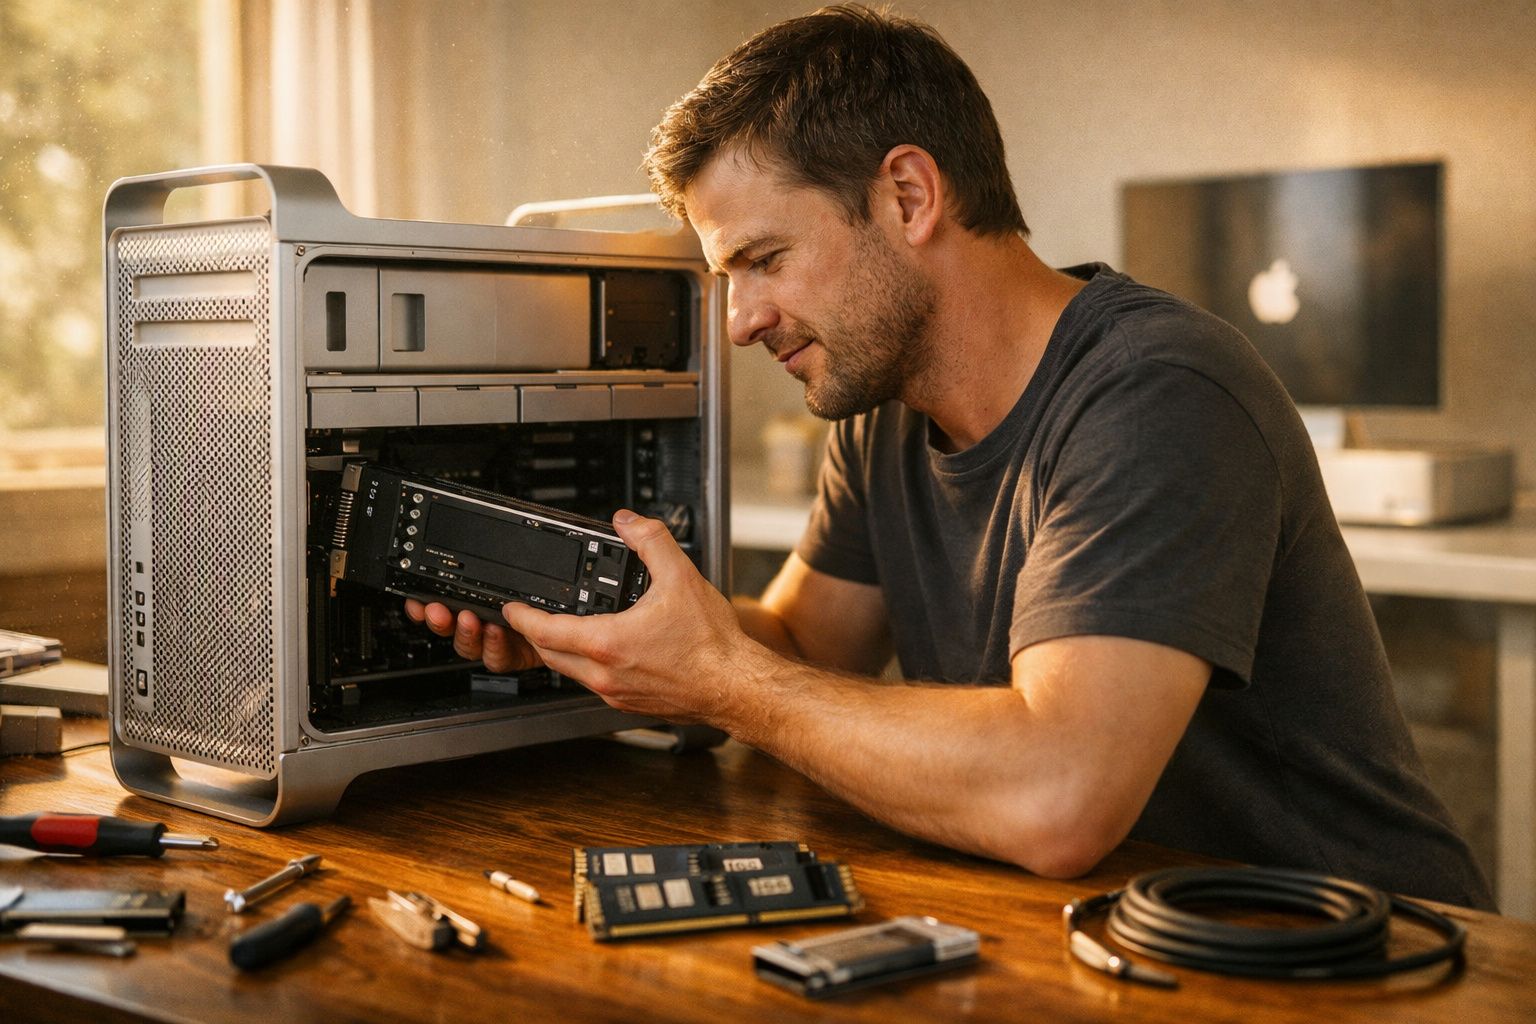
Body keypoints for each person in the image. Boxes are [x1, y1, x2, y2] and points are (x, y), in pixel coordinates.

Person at [407, 4, 1493, 908]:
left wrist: (720, 679)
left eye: (765, 259)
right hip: (1107, 933)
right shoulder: (881, 404)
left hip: (1358, 955)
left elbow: (1059, 792)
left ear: (910, 196)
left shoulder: (1161, 390)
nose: (738, 321)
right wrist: (602, 634)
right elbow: (800, 642)